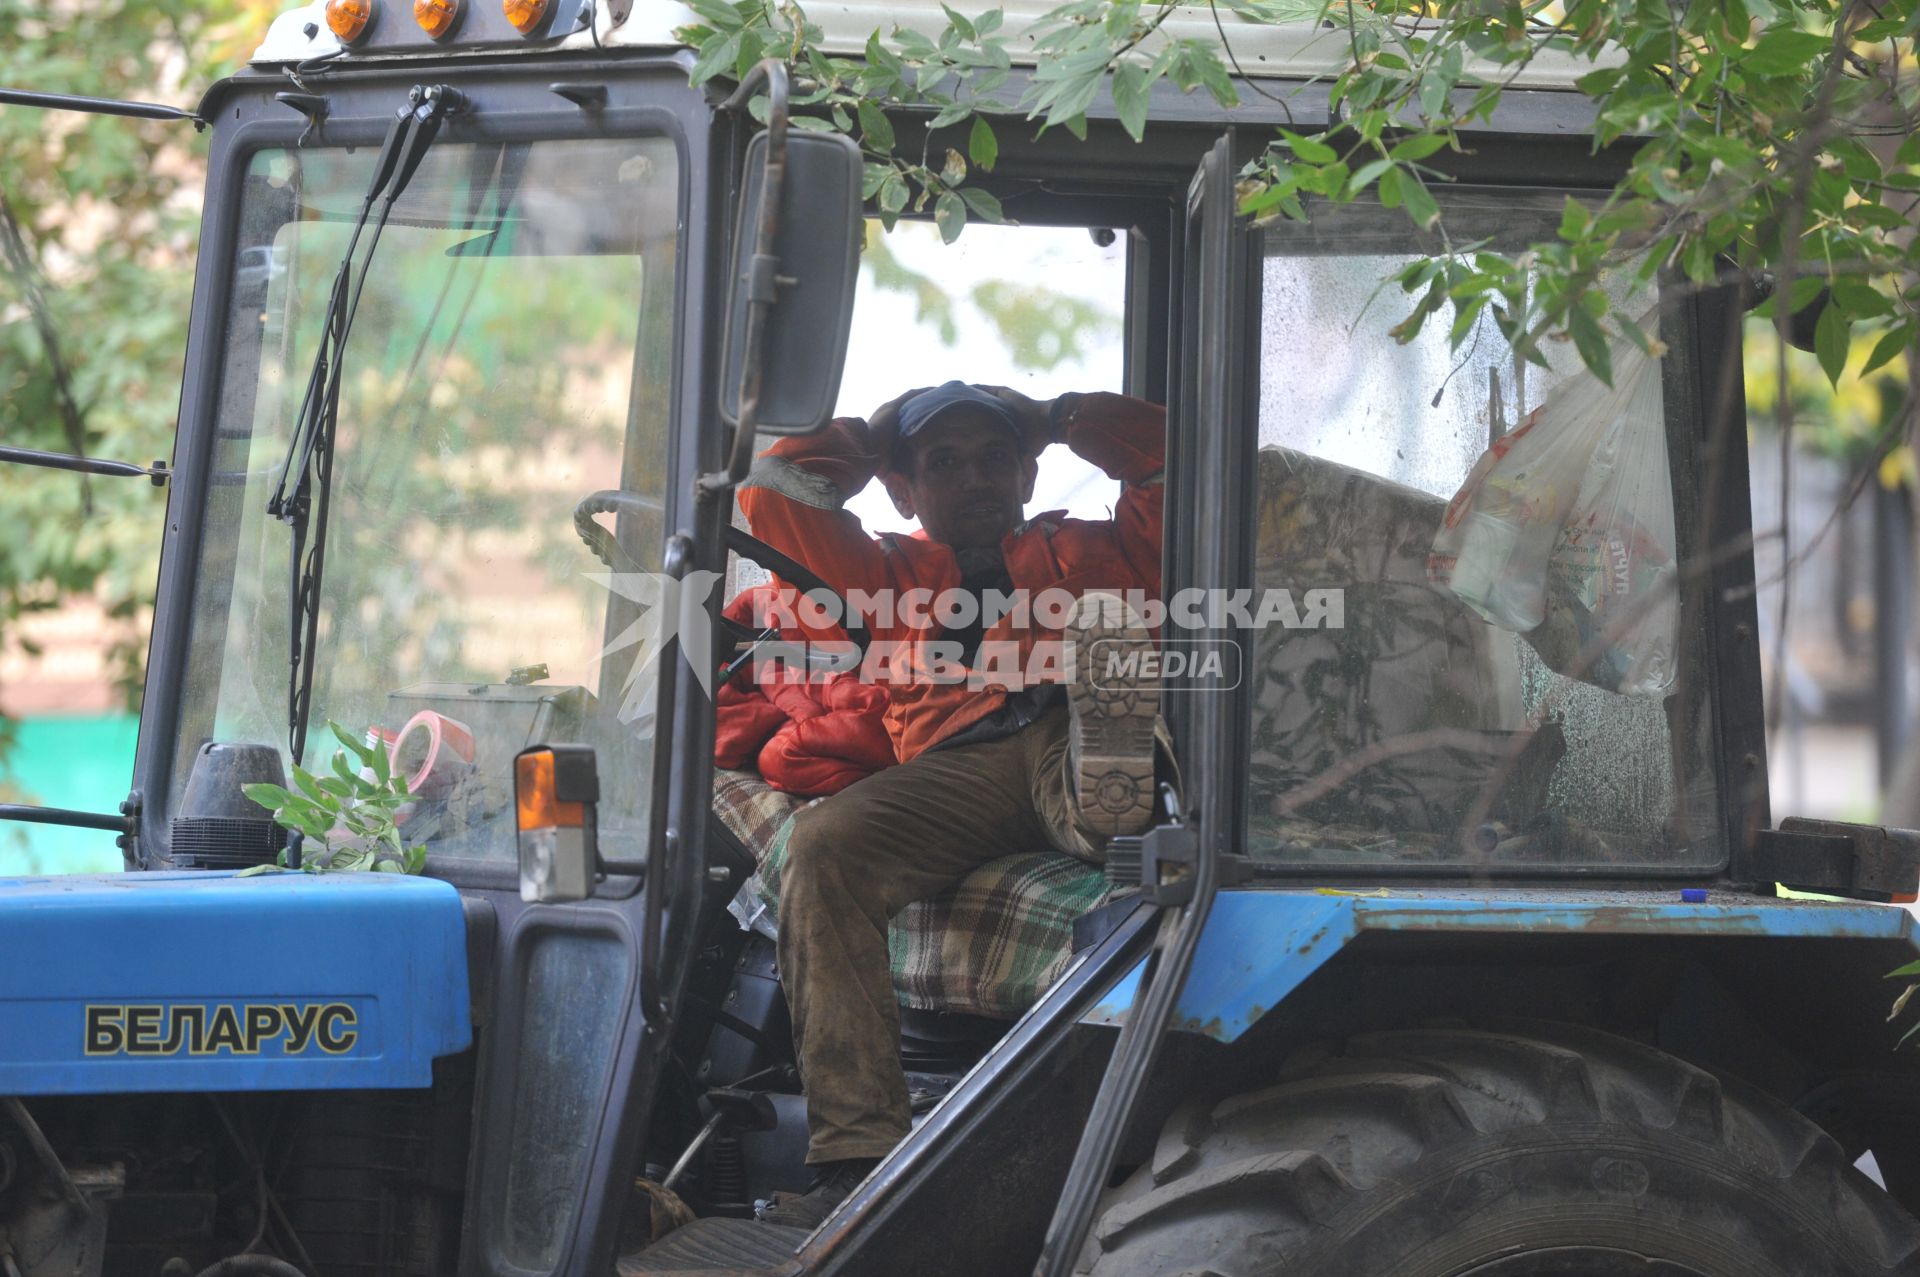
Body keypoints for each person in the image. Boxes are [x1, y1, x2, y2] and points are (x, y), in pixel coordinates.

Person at [735, 381, 1167, 1228]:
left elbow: (1179, 463)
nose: (975, 478)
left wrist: (1064, 416)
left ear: (1028, 476)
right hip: (958, 764)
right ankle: (855, 1161)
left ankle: (1108, 795)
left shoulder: (1100, 545)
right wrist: (873, 434)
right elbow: (770, 490)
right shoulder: (879, 571)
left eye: (996, 458)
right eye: (944, 462)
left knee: (1097, 772)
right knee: (820, 849)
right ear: (904, 490)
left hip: (1073, 718)